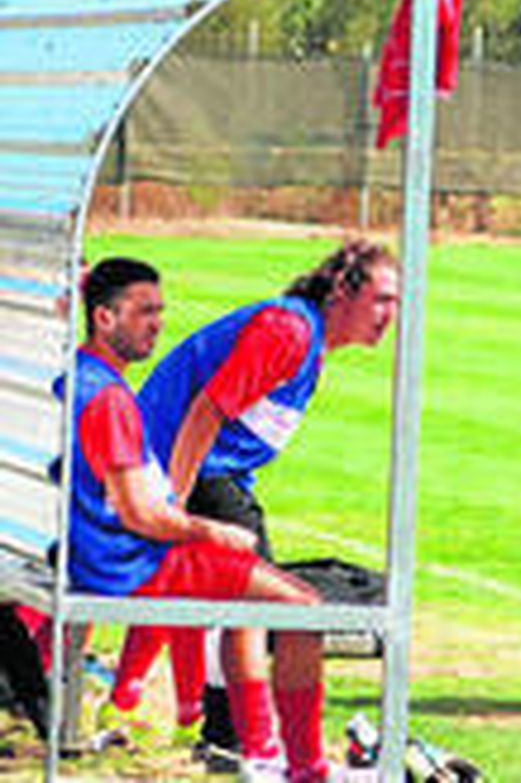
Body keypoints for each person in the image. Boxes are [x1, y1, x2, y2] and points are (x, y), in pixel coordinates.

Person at [108, 240, 399, 768]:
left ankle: (234, 738)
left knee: (252, 601)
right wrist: (172, 504)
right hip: (186, 469)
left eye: (395, 302)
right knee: (281, 604)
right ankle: (264, 749)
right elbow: (204, 413)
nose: (389, 315)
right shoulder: (287, 331)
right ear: (342, 290)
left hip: (212, 475)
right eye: (380, 299)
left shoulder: (307, 341)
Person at [61, 257, 336, 782]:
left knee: (229, 573)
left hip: (91, 551)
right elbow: (140, 515)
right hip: (118, 563)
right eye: (145, 312)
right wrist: (207, 528)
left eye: (159, 311)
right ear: (104, 317)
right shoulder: (110, 399)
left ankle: (189, 717)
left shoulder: (81, 377)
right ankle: (283, 760)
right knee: (297, 604)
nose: (158, 324)